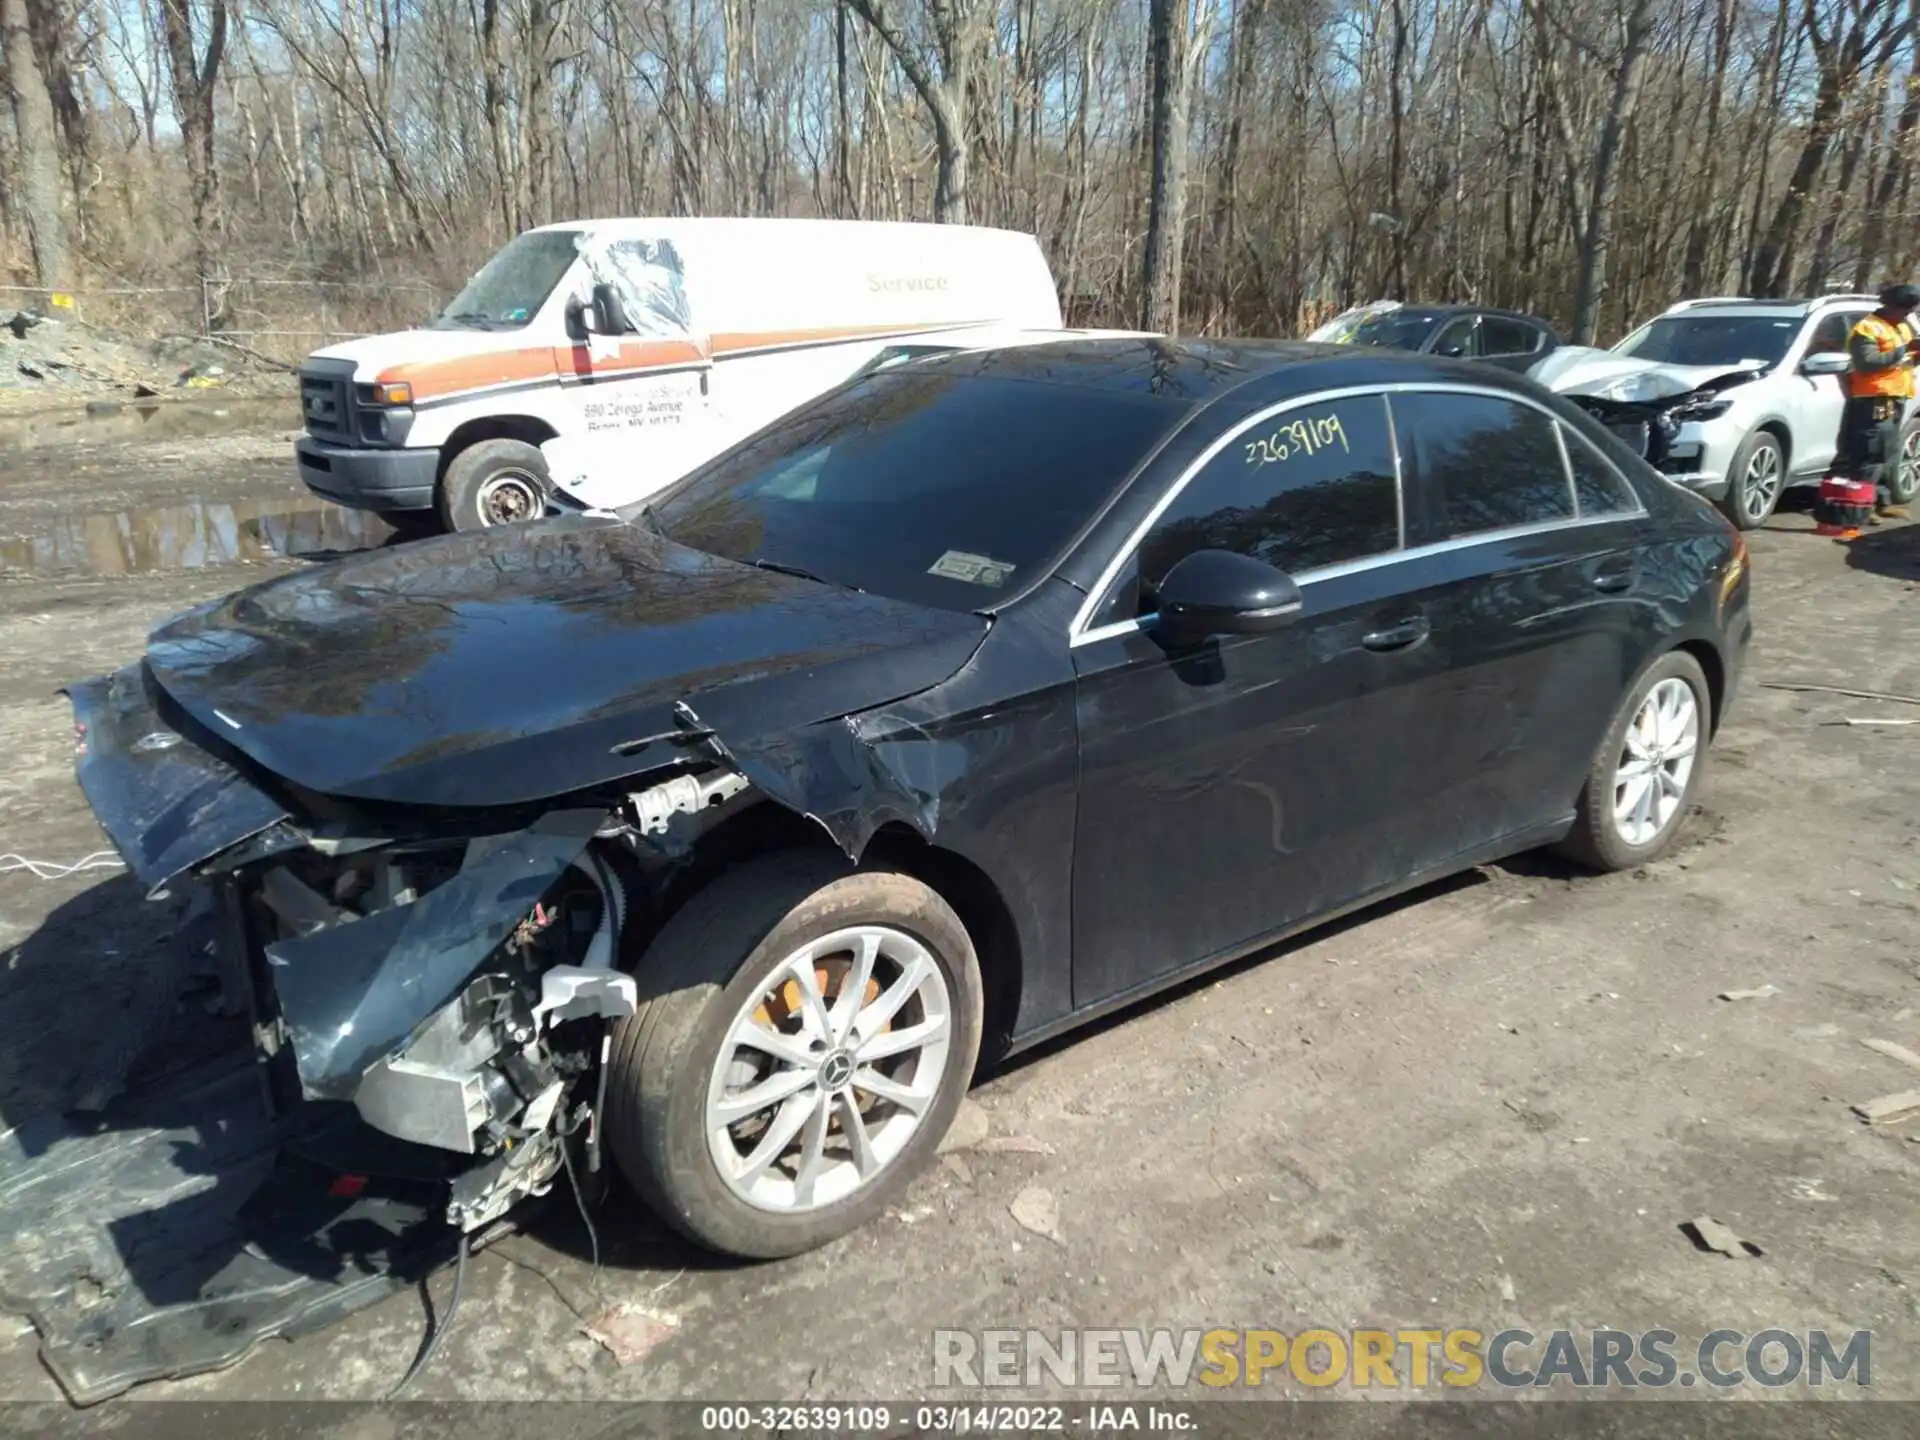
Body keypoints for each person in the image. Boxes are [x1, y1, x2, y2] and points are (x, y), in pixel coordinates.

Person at [1840, 283, 1920, 521]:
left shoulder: (1901, 327)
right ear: (1890, 306)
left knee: (1888, 451)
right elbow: (1867, 363)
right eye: (1904, 310)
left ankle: (1881, 501)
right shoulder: (1867, 328)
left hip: (1895, 397)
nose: (1907, 315)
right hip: (1871, 398)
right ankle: (1860, 507)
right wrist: (1905, 348)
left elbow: (1902, 362)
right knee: (1869, 453)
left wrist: (1915, 356)